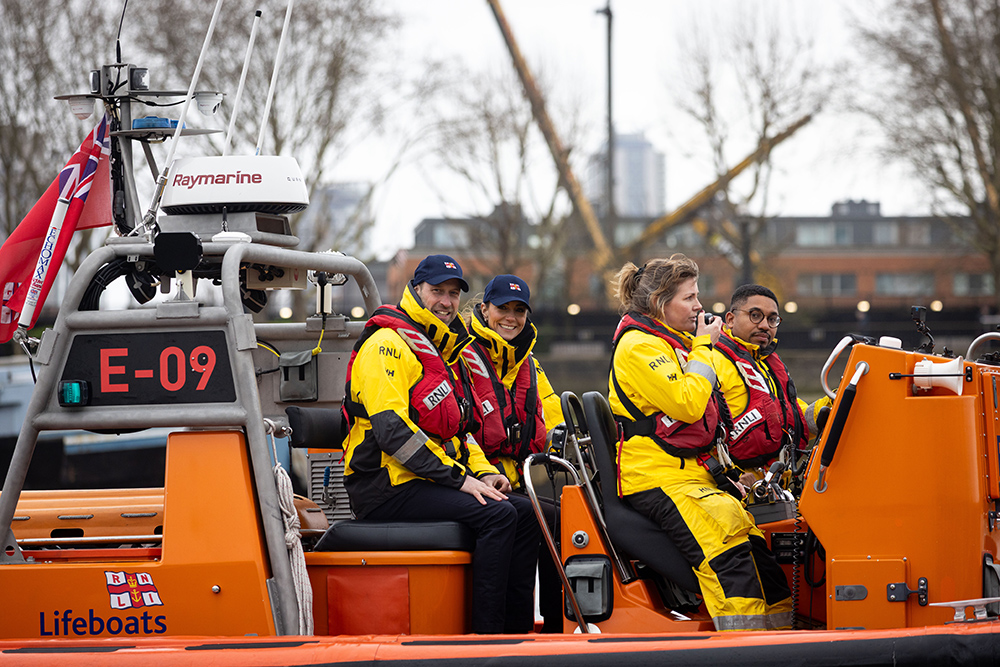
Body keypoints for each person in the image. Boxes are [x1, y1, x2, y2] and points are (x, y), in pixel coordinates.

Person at [341, 254, 541, 634]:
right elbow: (392, 432)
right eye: (437, 291)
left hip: (425, 480)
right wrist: (460, 480)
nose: (446, 301)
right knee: (499, 516)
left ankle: (519, 635)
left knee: (527, 513)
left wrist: (484, 473)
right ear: (416, 291)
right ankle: (486, 638)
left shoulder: (442, 350)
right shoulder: (386, 344)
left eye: (452, 293)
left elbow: (459, 430)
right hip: (385, 486)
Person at [607, 254, 792, 631]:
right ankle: (745, 650)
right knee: (727, 553)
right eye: (690, 298)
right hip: (655, 479)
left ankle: (784, 636)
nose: (699, 306)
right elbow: (688, 406)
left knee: (758, 552)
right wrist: (705, 347)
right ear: (661, 303)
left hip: (692, 478)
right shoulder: (640, 347)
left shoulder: (675, 344)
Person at [461, 273, 564, 633]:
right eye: (503, 308)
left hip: (518, 478)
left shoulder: (529, 366)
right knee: (524, 515)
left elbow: (553, 419)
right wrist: (484, 473)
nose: (511, 317)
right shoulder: (462, 358)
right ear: (484, 309)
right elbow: (458, 429)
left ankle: (556, 628)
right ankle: (507, 631)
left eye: (519, 310)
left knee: (564, 517)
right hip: (474, 476)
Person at [713, 284, 830, 485]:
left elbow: (797, 421)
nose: (765, 325)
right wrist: (730, 476)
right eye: (755, 315)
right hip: (734, 487)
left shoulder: (768, 365)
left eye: (772, 319)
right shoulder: (710, 361)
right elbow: (695, 432)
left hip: (774, 486)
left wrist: (836, 399)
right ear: (730, 319)